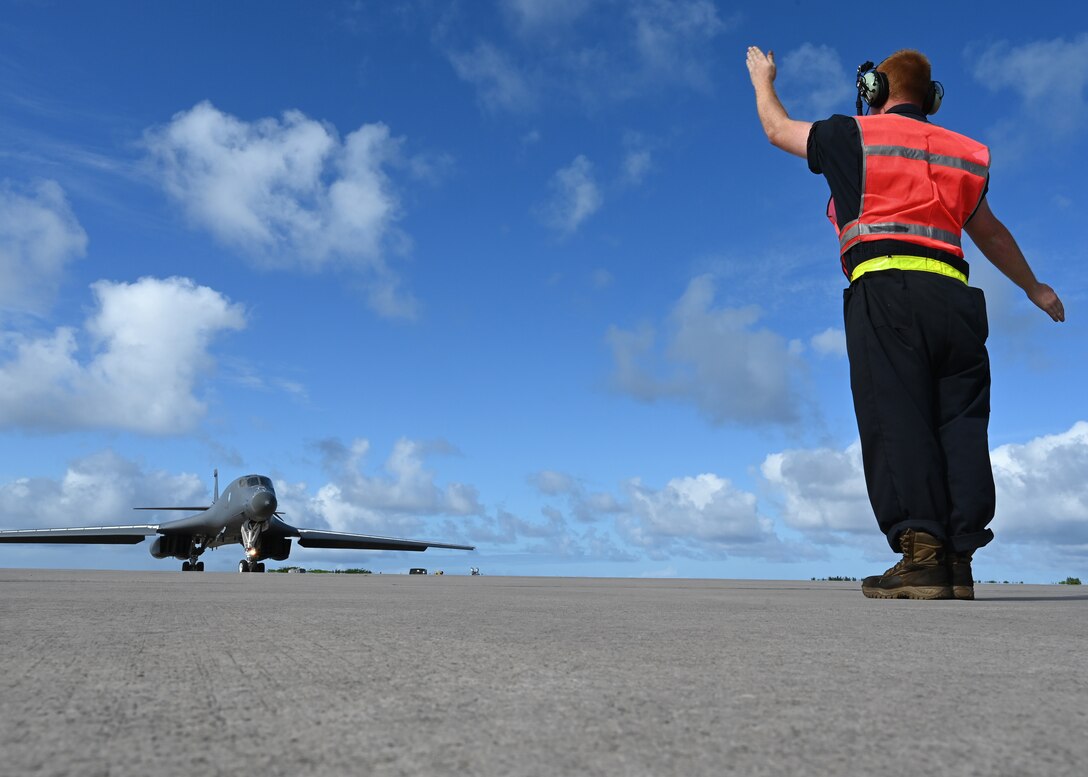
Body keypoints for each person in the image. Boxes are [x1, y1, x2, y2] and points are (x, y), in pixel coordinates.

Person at [745, 46, 1065, 600]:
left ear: (873, 89)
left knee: (896, 417)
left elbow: (776, 130)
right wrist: (1034, 288)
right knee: (961, 422)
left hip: (887, 291)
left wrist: (762, 79)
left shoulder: (852, 135)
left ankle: (920, 555)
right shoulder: (962, 153)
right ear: (931, 97)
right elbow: (989, 232)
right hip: (957, 298)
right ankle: (957, 563)